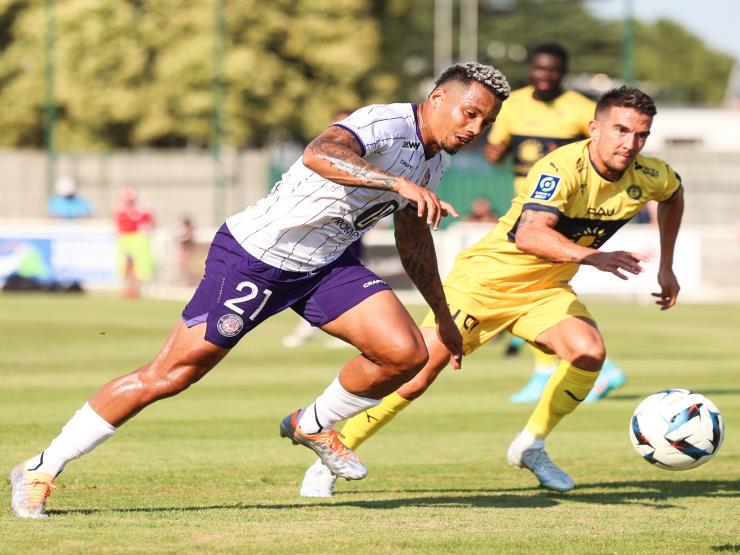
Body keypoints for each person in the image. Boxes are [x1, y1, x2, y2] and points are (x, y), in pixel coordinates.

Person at [8, 62, 512, 519]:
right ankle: (41, 468)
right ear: (438, 98)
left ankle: (313, 423)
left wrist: (442, 317)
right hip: (254, 258)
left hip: (323, 266)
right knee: (169, 376)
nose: (474, 130)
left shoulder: (433, 161)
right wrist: (396, 184)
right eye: (469, 114)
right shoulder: (384, 122)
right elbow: (321, 153)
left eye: (484, 123)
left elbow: (415, 240)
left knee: (405, 353)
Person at [300, 85, 684, 497]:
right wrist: (592, 258)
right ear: (595, 128)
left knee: (589, 352)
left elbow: (674, 196)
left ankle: (531, 445)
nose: (630, 143)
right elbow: (530, 237)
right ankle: (332, 460)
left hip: (544, 288)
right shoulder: (561, 169)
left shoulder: (650, 175)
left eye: (640, 135)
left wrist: (666, 266)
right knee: (416, 375)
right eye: (620, 130)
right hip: (484, 283)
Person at [484, 42, 626, 404]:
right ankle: (556, 368)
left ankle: (581, 368)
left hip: (560, 213)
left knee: (523, 290)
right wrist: (495, 146)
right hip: (523, 210)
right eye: (538, 69)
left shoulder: (580, 109)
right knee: (530, 291)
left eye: (552, 70)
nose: (544, 76)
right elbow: (495, 150)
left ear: (562, 72)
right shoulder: (512, 104)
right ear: (530, 69)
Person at [114, 186, 155, 299]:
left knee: (140, 266)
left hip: (139, 239)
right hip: (125, 238)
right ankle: (126, 289)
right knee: (125, 265)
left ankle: (139, 289)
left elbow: (151, 223)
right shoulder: (119, 210)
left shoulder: (142, 209)